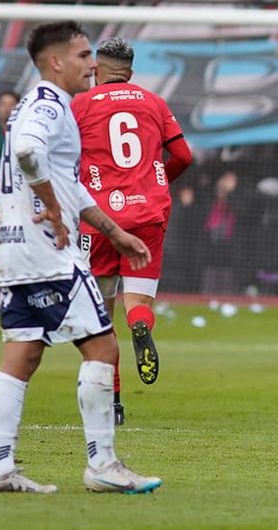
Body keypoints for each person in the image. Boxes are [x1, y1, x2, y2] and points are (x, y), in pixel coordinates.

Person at [0, 21, 160, 494]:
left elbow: (68, 182)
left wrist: (114, 231)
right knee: (102, 348)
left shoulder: (33, 104)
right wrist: (51, 204)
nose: (92, 64)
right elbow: (26, 152)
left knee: (22, 353)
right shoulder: (48, 104)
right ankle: (102, 464)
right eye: (83, 56)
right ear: (56, 62)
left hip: (15, 250)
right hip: (51, 253)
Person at [71, 38, 193, 425]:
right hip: (148, 215)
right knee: (138, 302)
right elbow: (184, 156)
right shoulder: (154, 102)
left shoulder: (81, 105)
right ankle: (140, 326)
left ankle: (114, 404)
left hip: (101, 219)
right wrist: (156, 183)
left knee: (100, 319)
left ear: (96, 71)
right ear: (131, 73)